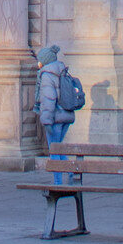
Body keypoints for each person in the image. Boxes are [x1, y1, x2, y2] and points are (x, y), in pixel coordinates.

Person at [33, 44, 75, 185]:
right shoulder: (62, 70)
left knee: (54, 150)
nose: (37, 62)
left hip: (55, 118)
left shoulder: (47, 75)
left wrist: (46, 121)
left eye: (39, 60)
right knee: (58, 146)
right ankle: (71, 171)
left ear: (44, 61)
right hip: (66, 116)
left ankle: (58, 183)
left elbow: (49, 99)